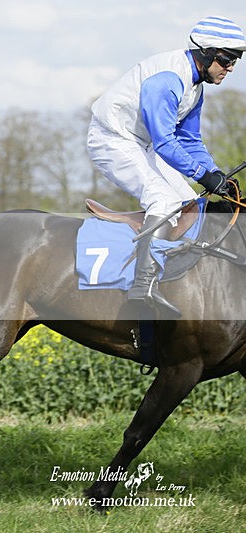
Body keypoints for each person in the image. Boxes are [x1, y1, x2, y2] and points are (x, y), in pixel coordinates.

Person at [87, 16, 246, 318]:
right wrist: (203, 175)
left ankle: (174, 273)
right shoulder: (168, 80)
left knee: (191, 204)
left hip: (142, 144)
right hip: (112, 139)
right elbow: (164, 142)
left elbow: (190, 140)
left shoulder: (196, 86)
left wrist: (217, 175)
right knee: (164, 199)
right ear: (206, 52)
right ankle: (142, 285)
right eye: (227, 59)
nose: (231, 68)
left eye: (235, 60)